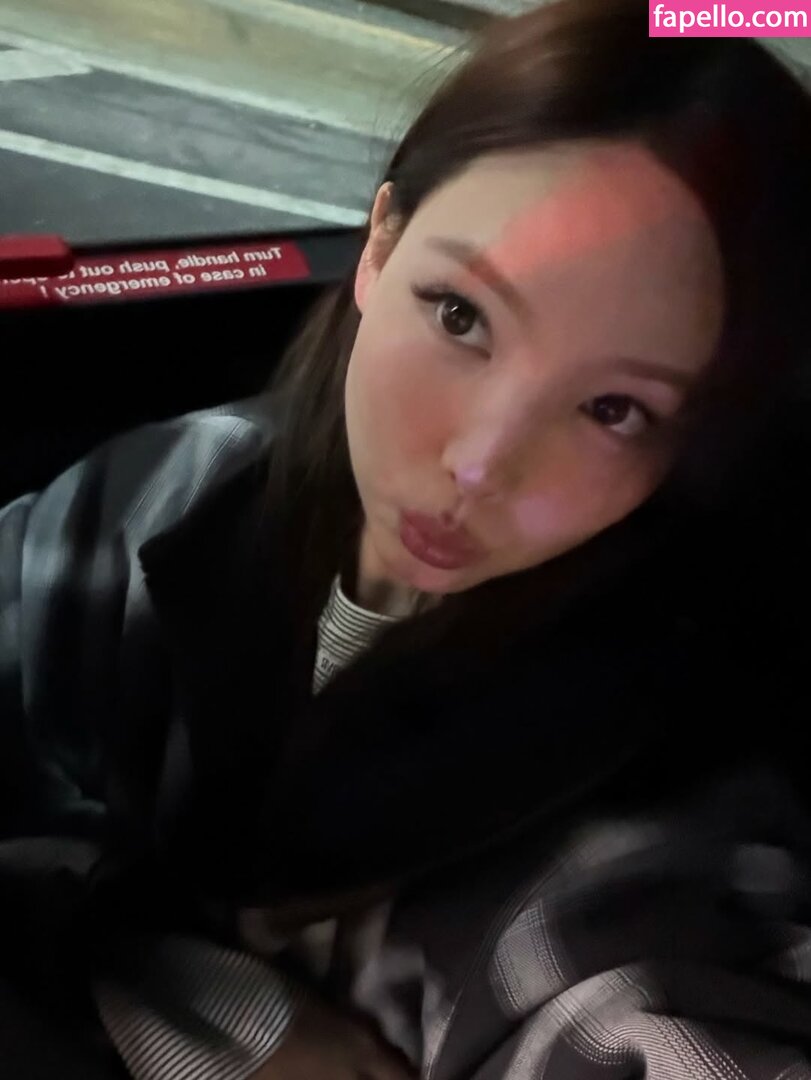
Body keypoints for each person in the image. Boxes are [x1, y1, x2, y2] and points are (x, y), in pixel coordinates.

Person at [2, 0, 811, 1076]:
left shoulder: (658, 822)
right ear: (379, 247)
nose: (477, 464)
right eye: (460, 316)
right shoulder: (163, 493)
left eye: (613, 409)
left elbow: (648, 1008)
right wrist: (190, 997)